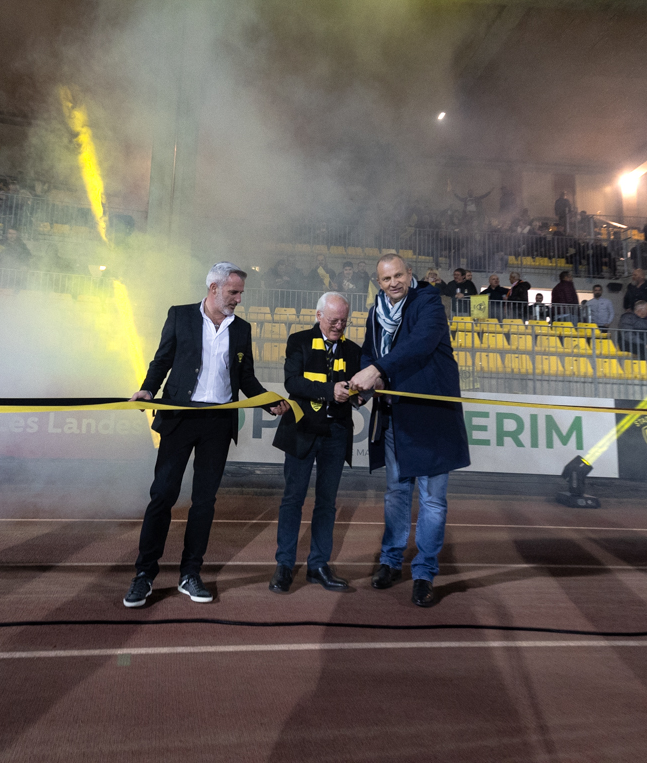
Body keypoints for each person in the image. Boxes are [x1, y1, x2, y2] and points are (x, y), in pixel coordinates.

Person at [124, 263, 289, 609]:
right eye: (234, 292)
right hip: (179, 417)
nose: (239, 299)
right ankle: (144, 575)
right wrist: (147, 389)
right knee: (162, 495)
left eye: (241, 292)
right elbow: (161, 360)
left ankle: (190, 573)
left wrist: (267, 401)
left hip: (218, 423)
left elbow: (246, 378)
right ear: (213, 288)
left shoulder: (241, 328)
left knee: (204, 502)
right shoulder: (180, 316)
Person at [348, 253, 468, 608]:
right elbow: (369, 353)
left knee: (432, 500)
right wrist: (366, 381)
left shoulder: (428, 301)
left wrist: (377, 370)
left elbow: (420, 343)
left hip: (431, 417)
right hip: (394, 416)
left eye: (398, 275)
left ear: (409, 274)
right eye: (386, 279)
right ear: (378, 282)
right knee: (396, 494)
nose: (393, 283)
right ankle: (390, 560)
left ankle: (424, 572)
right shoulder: (375, 312)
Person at [269, 292, 366, 594]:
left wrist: (361, 395)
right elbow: (292, 382)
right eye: (334, 320)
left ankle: (318, 565)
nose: (339, 326)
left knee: (326, 503)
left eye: (344, 321)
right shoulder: (298, 340)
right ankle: (284, 566)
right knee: (292, 499)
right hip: (301, 430)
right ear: (318, 315)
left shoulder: (354, 350)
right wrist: (329, 391)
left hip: (336, 434)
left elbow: (361, 387)